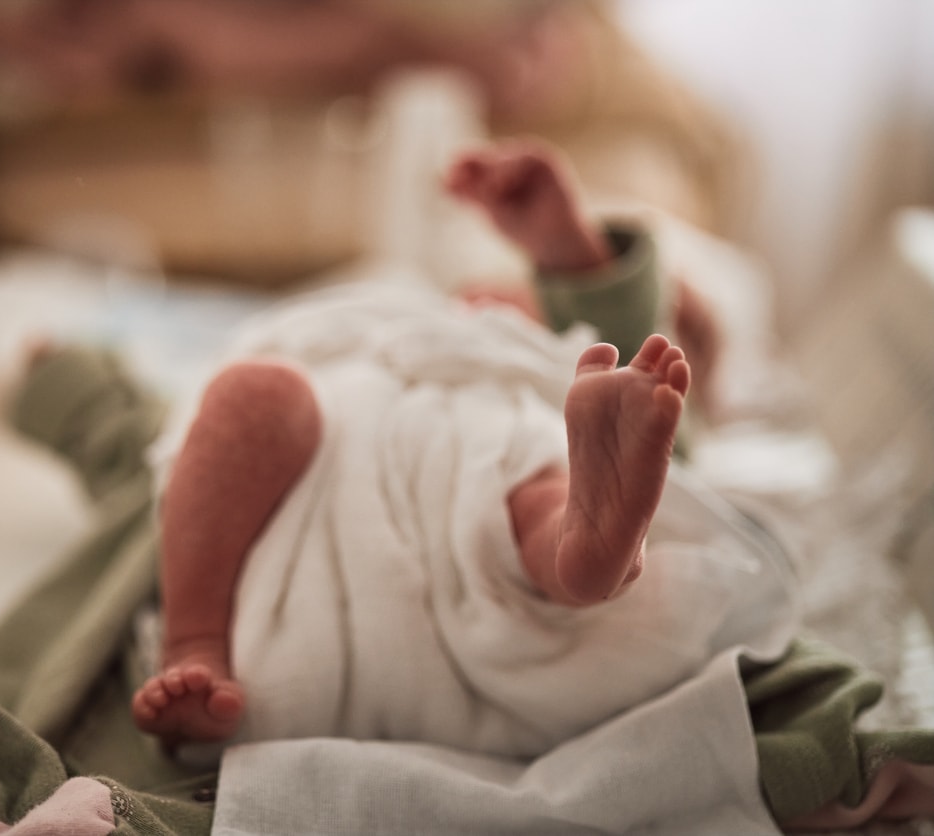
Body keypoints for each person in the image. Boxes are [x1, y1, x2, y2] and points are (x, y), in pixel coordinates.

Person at [130, 138, 693, 744]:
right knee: (255, 399)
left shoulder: (541, 373)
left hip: (468, 461)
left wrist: (569, 257)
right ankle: (574, 547)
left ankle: (582, 549)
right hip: (309, 478)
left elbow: (615, 347)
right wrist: (563, 246)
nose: (493, 297)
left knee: (535, 480)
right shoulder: (389, 305)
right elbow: (131, 435)